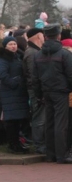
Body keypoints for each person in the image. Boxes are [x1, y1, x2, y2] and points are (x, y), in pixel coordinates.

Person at [32, 24, 72, 164]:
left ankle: (50, 154)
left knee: (49, 123)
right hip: (61, 92)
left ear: (46, 36)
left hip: (45, 92)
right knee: (61, 124)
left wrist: (39, 95)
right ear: (58, 36)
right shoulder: (64, 54)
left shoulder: (38, 55)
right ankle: (62, 155)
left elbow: (34, 78)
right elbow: (70, 75)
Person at [0, 37, 30, 154]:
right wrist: (14, 82)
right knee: (11, 121)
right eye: (10, 44)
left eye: (14, 44)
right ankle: (13, 144)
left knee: (18, 120)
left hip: (19, 92)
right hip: (10, 92)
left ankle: (17, 143)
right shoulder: (3, 59)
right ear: (5, 46)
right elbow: (1, 74)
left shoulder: (18, 57)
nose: (13, 46)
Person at [23, 28, 46, 153]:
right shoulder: (32, 53)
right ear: (38, 36)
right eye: (43, 35)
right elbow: (33, 75)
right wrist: (39, 93)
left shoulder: (35, 51)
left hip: (38, 90)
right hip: (36, 91)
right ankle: (40, 145)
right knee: (39, 118)